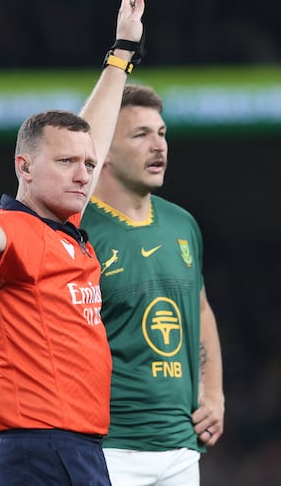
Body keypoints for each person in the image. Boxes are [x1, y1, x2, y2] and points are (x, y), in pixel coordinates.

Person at [0, 0, 146, 486]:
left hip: (80, 449)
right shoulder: (17, 232)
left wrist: (122, 52)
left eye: (89, 165)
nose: (83, 174)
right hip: (39, 451)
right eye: (66, 163)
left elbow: (92, 133)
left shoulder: (66, 229)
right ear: (24, 167)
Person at [80, 84, 224, 485]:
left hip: (181, 447)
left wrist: (214, 395)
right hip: (108, 446)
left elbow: (200, 310)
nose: (158, 145)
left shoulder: (182, 224)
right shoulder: (78, 230)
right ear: (104, 151)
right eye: (140, 135)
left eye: (161, 133)